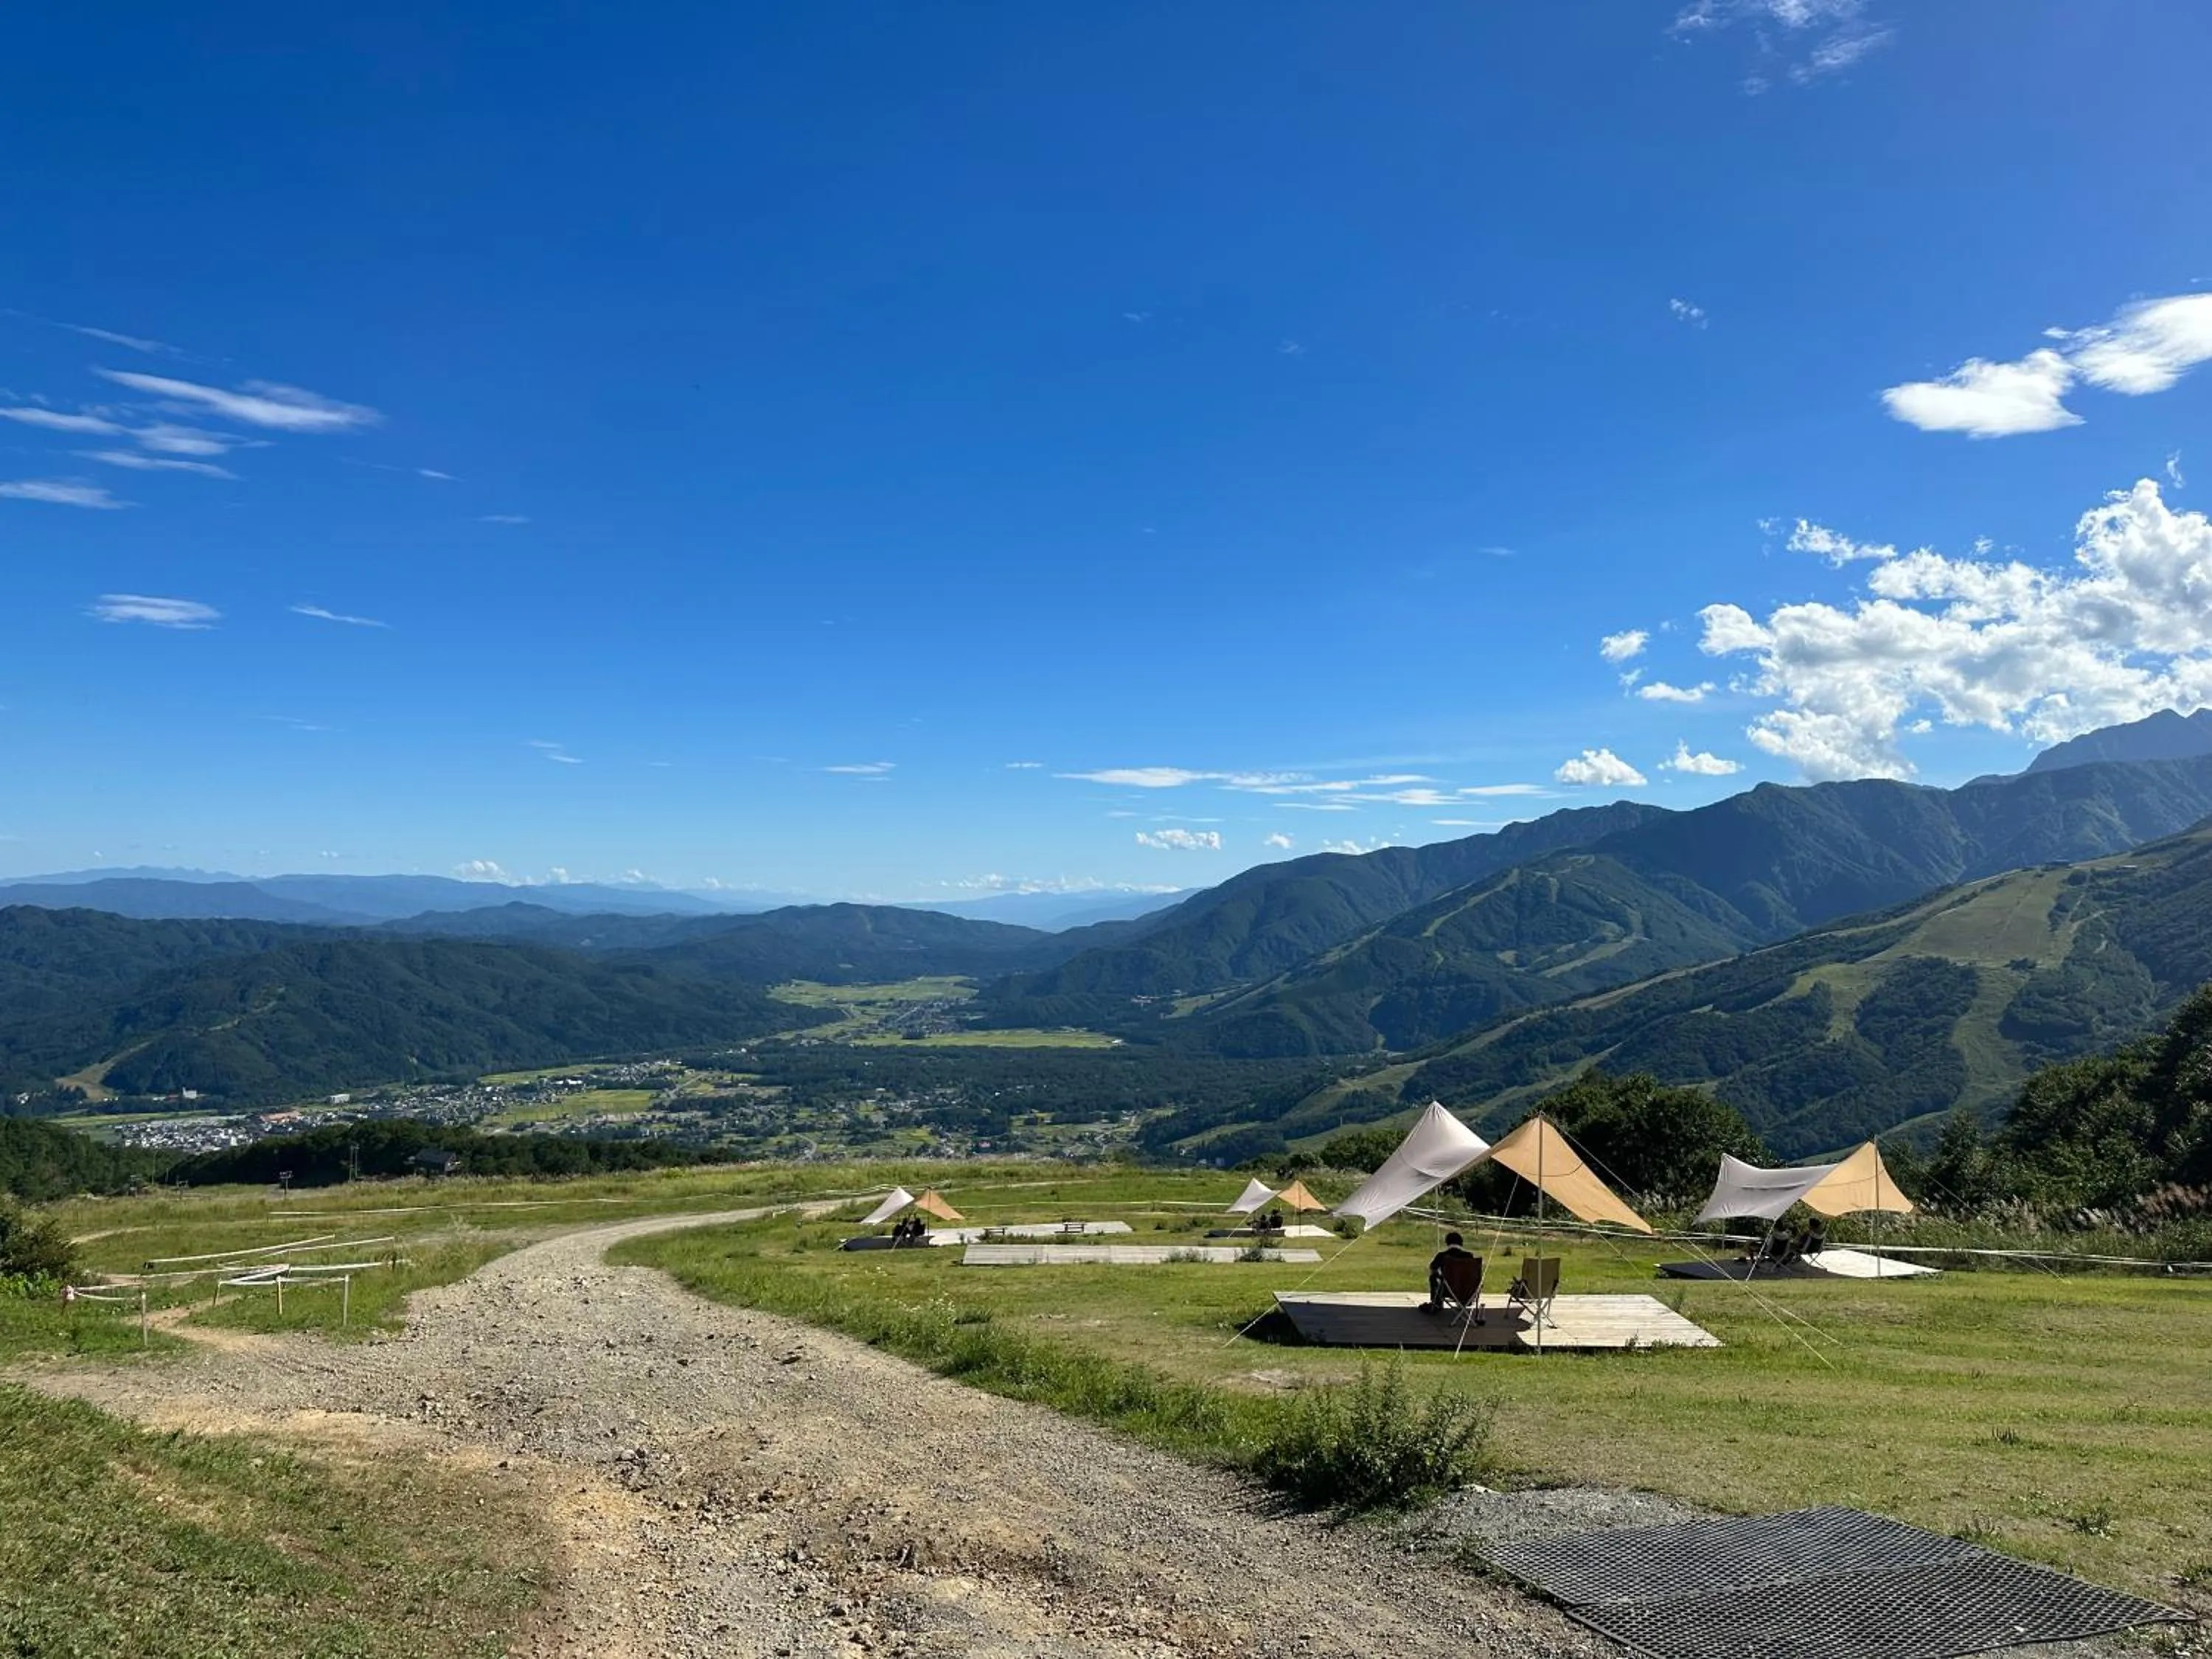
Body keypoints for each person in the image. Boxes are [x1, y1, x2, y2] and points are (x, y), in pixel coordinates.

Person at [1422, 1231, 1481, 1318]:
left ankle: (1436, 1303)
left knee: (1433, 1277)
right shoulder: (1469, 1256)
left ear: (1447, 1243)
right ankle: (1464, 1303)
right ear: (1461, 1243)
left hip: (1448, 1291)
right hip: (1468, 1291)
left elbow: (1433, 1268)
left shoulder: (1442, 1256)